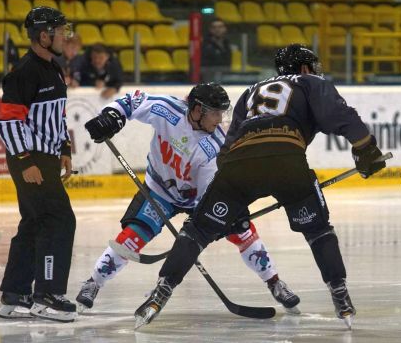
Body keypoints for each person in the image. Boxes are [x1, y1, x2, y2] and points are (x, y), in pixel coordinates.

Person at [129, 44, 386, 330]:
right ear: (303, 67)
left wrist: (232, 202)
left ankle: (159, 294)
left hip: (239, 165)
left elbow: (225, 150)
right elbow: (340, 115)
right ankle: (341, 297)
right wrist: (366, 149)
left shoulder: (250, 91)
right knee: (318, 230)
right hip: (286, 161)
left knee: (197, 230)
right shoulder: (310, 82)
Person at [79, 83, 301, 314]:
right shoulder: (168, 110)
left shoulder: (214, 147)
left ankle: (274, 281)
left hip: (199, 201)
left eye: (222, 112)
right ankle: (93, 282)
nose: (220, 119)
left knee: (244, 232)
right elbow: (132, 102)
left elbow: (212, 193)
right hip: (159, 191)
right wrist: (112, 117)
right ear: (197, 110)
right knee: (131, 238)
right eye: (215, 112)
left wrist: (200, 229)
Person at [0, 6, 77, 323]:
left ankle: (16, 294)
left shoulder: (54, 68)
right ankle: (47, 295)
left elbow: (56, 117)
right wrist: (24, 160)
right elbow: (9, 123)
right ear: (43, 36)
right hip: (29, 157)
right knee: (58, 220)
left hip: (44, 156)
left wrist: (65, 149)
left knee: (33, 222)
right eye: (60, 31)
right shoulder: (23, 73)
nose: (65, 36)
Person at [200, 18, 232, 83]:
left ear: (225, 29)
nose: (217, 29)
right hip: (209, 76)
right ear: (210, 30)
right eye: (214, 27)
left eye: (220, 27)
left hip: (225, 74)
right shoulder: (204, 44)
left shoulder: (227, 43)